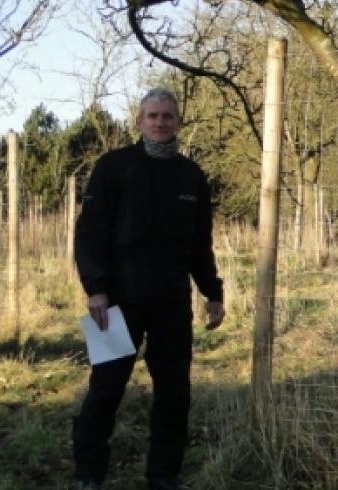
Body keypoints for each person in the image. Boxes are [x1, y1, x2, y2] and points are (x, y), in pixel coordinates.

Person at [72, 87, 225, 490]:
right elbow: (89, 234)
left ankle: (164, 476)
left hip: (172, 304)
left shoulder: (192, 177)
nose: (159, 122)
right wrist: (96, 289)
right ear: (138, 122)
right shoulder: (113, 167)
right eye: (152, 116)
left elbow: (199, 243)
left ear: (178, 122)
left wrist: (213, 292)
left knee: (175, 393)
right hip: (116, 302)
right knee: (105, 390)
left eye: (167, 116)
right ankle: (88, 475)